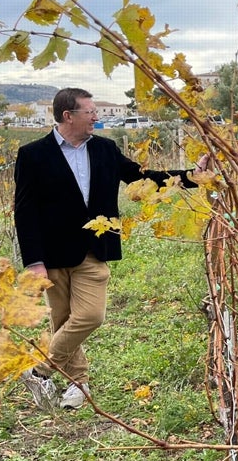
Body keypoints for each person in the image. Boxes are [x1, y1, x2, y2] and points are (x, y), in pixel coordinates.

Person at [14, 88, 202, 410]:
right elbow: (25, 211)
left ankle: (38, 369)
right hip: (53, 254)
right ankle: (78, 386)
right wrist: (34, 261)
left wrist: (191, 176)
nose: (97, 117)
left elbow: (145, 178)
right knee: (62, 321)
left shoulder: (106, 149)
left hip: (93, 250)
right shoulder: (32, 155)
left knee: (89, 316)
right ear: (67, 116)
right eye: (90, 111)